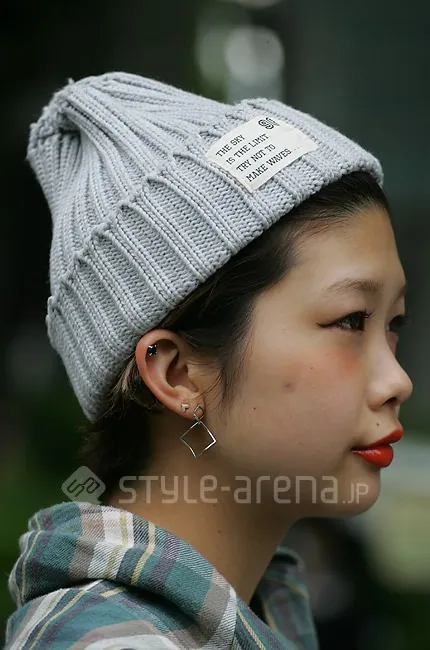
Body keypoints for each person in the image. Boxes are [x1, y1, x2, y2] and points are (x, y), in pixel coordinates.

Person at [5, 72, 412, 650]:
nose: (397, 380)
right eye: (350, 321)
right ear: (178, 374)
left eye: (394, 324)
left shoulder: (265, 610)